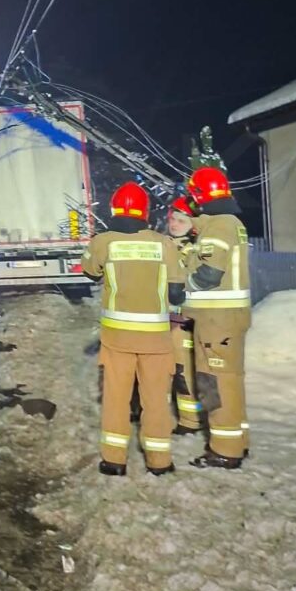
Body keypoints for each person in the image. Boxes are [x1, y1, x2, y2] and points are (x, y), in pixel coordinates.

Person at [82, 182, 185, 476]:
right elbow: (177, 293)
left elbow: (90, 273)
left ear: (114, 209)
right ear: (146, 211)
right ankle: (159, 461)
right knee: (156, 400)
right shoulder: (163, 243)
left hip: (117, 339)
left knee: (116, 397)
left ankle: (114, 460)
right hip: (156, 339)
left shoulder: (103, 242)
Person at [183, 167, 252, 469]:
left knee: (215, 383)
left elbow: (209, 275)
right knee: (230, 382)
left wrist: (177, 288)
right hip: (225, 319)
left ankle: (224, 450)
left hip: (216, 321)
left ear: (199, 194)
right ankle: (237, 441)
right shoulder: (229, 222)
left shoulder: (219, 226)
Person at [167, 196, 203, 434]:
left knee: (184, 374)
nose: (175, 224)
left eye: (181, 220)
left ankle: (191, 421)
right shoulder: (165, 245)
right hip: (163, 323)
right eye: (172, 218)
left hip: (183, 324)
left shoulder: (194, 252)